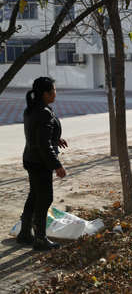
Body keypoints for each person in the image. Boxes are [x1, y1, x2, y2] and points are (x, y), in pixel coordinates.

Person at [17, 77, 67, 251]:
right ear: (45, 93)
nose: (55, 93)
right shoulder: (43, 112)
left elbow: (38, 134)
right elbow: (43, 144)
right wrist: (57, 165)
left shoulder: (31, 109)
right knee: (45, 198)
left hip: (31, 158)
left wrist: (55, 138)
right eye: (53, 90)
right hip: (40, 162)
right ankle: (40, 239)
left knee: (34, 195)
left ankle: (24, 234)